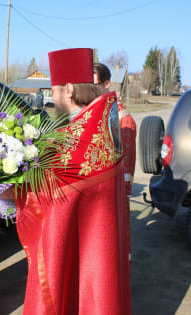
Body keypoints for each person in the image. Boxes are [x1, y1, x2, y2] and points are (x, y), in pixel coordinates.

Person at [10, 48, 131, 314]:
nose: (51, 99)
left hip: (86, 246)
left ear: (69, 89)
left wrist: (8, 191)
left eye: (52, 91)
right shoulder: (102, 124)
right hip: (96, 247)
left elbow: (47, 193)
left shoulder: (77, 138)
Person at [93, 62, 137, 196]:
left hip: (110, 191)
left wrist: (123, 190)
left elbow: (126, 161)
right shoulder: (89, 111)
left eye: (94, 86)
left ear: (106, 84)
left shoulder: (122, 118)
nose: (89, 90)